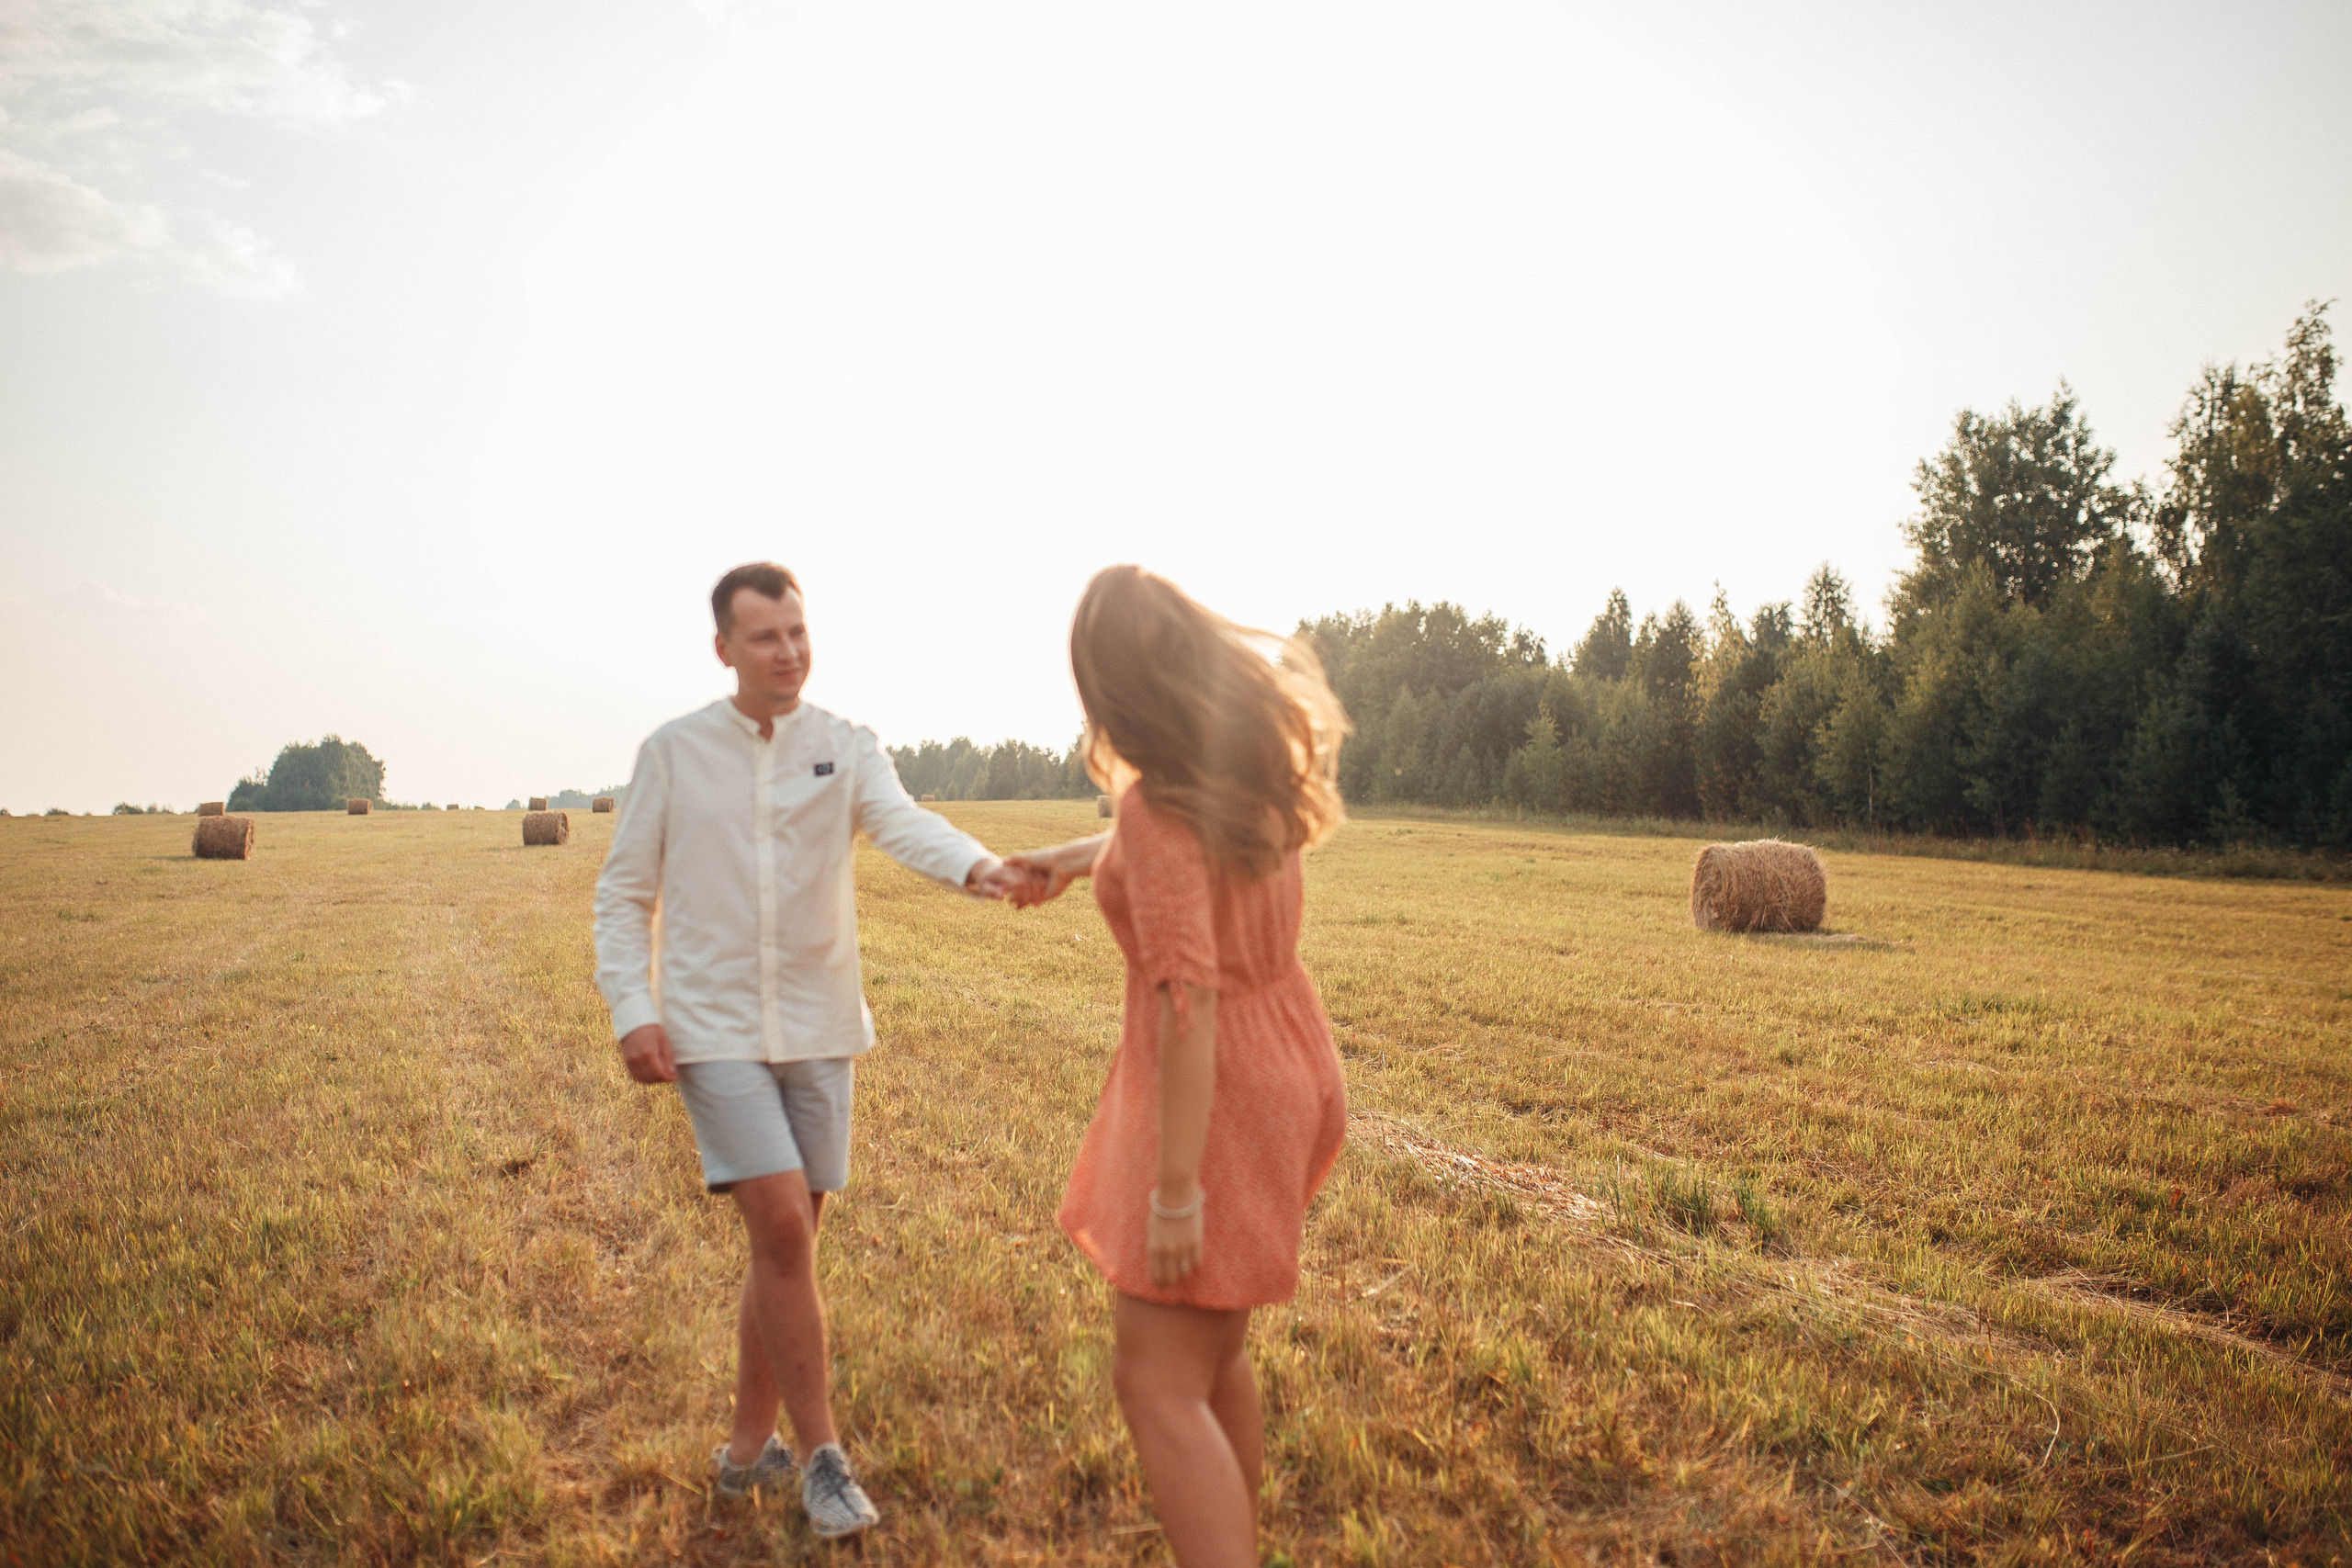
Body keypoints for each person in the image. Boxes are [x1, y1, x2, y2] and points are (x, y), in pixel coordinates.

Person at [594, 561, 1030, 1539]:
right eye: (764, 637)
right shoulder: (673, 754)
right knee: (785, 1230)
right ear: (724, 650)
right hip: (712, 1029)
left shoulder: (845, 745)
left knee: (782, 1245)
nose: (787, 651)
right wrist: (633, 1006)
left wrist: (979, 867)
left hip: (823, 1025)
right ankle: (825, 1459)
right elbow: (623, 894)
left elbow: (903, 823)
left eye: (797, 632)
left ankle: (749, 1450)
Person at [1006, 565, 1351, 1568]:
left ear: (1108, 692)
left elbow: (1186, 1006)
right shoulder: (1245, 769)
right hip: (1291, 1060)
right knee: (1211, 1360)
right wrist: (1076, 860)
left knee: (1154, 1382)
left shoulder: (1162, 811)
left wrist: (1171, 1194)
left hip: (1217, 1097)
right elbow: (1159, 846)